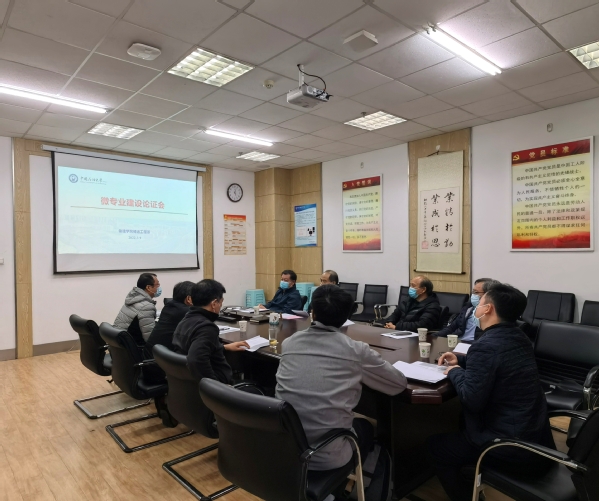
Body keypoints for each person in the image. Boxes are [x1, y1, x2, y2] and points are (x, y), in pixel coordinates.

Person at [428, 283, 555, 501]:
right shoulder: (519, 337)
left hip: (509, 445)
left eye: (480, 301)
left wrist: (455, 371)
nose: (475, 306)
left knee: (436, 448)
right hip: (535, 436)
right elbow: (499, 363)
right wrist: (461, 359)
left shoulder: (486, 345)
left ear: (488, 309)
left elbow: (471, 399)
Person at [276, 285, 407, 471]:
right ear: (346, 318)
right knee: (367, 427)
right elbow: (398, 384)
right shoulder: (355, 350)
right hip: (324, 457)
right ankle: (352, 482)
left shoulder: (290, 343)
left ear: (312, 313)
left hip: (284, 448)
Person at [172, 279, 249, 383]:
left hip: (187, 384)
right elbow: (195, 360)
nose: (220, 306)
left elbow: (196, 348)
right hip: (220, 387)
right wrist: (214, 387)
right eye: (221, 302)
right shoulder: (207, 327)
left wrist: (224, 347)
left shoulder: (186, 319)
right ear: (214, 304)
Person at [146, 281, 194, 356]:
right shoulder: (186, 312)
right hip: (161, 359)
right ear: (189, 299)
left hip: (153, 354)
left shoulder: (169, 306)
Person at [114, 272, 161, 345]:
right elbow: (150, 339)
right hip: (134, 347)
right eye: (157, 285)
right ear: (148, 287)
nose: (159, 288)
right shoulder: (146, 306)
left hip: (120, 344)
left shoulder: (133, 299)